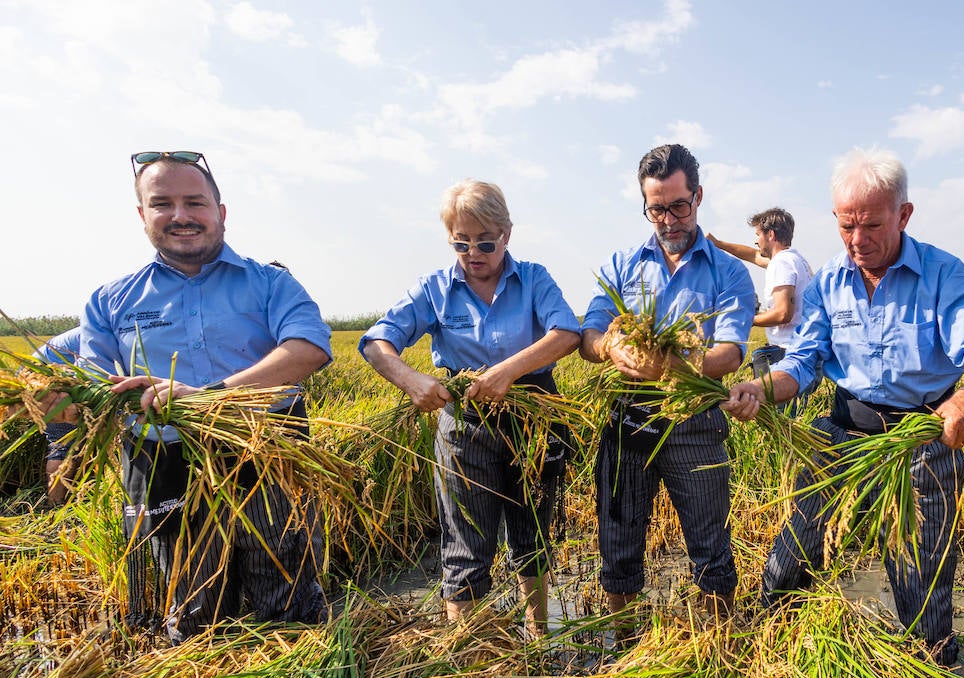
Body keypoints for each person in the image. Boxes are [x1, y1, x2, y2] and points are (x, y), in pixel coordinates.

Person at [723, 147, 964, 665]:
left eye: (871, 226)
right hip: (843, 435)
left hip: (923, 441)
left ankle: (931, 674)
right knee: (793, 555)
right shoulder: (827, 284)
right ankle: (762, 662)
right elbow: (805, 360)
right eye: (845, 226)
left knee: (921, 578)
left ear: (904, 215)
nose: (857, 241)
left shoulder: (943, 275)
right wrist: (763, 388)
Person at [79, 150, 332, 642]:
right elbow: (91, 383)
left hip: (266, 450)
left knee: (287, 593)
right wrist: (67, 400)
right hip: (164, 459)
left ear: (220, 210)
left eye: (194, 201)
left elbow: (308, 349)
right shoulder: (111, 299)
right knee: (191, 605)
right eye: (162, 203)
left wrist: (206, 398)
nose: (180, 215)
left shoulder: (270, 282)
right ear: (142, 215)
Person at [361, 180, 580, 636]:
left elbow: (566, 334)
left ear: (507, 234)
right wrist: (412, 379)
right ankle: (471, 648)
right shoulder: (434, 289)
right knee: (465, 540)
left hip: (532, 415)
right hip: (466, 422)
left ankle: (536, 631)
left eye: (485, 242)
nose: (473, 253)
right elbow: (377, 343)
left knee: (531, 531)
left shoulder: (534, 278)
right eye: (461, 243)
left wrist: (508, 372)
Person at [580, 144, 755, 618]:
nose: (668, 220)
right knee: (618, 547)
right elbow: (591, 335)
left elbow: (730, 353)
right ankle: (625, 645)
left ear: (698, 197)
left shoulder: (730, 272)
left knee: (711, 549)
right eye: (655, 208)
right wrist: (615, 347)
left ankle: (718, 649)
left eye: (678, 206)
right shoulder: (622, 265)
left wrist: (670, 368)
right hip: (628, 423)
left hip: (695, 424)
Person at [709, 208, 813, 377]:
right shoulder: (795, 260)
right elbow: (753, 256)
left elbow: (783, 313)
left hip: (787, 355)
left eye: (758, 235)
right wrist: (719, 244)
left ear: (770, 234)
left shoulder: (781, 264)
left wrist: (748, 319)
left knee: (770, 402)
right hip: (802, 352)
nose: (756, 241)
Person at [32, 327, 81, 504]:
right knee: (62, 443)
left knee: (68, 443)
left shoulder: (95, 329)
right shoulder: (97, 335)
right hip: (46, 387)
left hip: (46, 380)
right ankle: (55, 504)